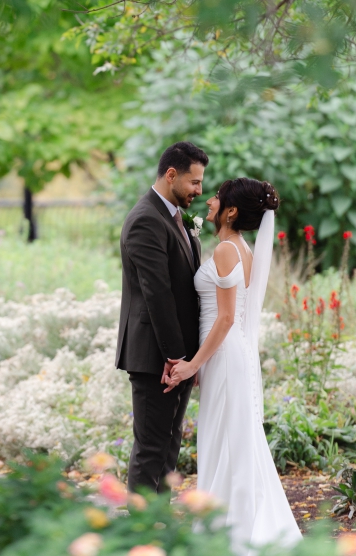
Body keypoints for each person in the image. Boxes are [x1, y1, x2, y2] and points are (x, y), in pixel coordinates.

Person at [163, 177, 302, 550]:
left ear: (231, 210)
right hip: (229, 354)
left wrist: (192, 365)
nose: (209, 200)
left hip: (223, 357)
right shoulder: (241, 248)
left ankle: (231, 534)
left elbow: (225, 318)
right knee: (234, 441)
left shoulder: (227, 250)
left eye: (217, 196)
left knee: (225, 442)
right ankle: (231, 526)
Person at [115, 141, 208, 493]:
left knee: (169, 447)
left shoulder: (173, 217)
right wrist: (175, 356)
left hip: (179, 356)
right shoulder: (145, 220)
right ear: (171, 175)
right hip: (157, 356)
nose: (199, 191)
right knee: (151, 448)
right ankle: (140, 532)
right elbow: (157, 293)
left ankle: (161, 528)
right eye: (194, 182)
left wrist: (189, 359)